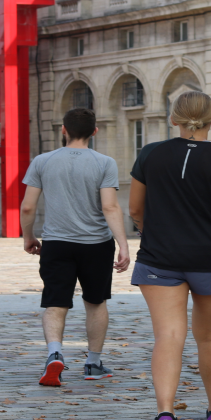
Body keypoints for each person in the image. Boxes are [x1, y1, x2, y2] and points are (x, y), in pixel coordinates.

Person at [128, 91, 211, 420]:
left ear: (173, 120)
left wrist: (151, 232)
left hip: (159, 258)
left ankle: (165, 415)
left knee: (168, 336)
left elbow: (135, 208)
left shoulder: (150, 153)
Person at [20, 108, 131, 387]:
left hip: (57, 243)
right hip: (96, 245)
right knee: (95, 302)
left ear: (63, 129)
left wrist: (28, 237)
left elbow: (28, 206)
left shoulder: (42, 161)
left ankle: (54, 353)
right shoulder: (105, 163)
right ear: (95, 132)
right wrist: (123, 245)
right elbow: (110, 207)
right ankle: (93, 364)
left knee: (55, 302)